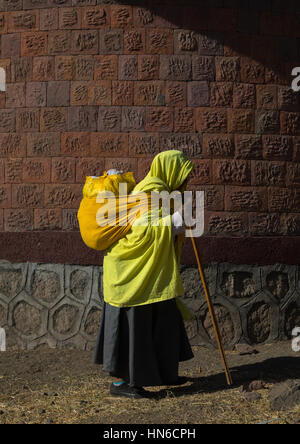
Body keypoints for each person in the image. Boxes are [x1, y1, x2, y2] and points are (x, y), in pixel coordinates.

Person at [94, 150, 195, 399]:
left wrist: (177, 220)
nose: (186, 182)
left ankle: (163, 373)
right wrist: (174, 222)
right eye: (183, 176)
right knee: (133, 327)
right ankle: (120, 384)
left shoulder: (165, 193)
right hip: (131, 274)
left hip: (149, 273)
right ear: (170, 171)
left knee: (165, 318)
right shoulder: (149, 193)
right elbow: (141, 231)